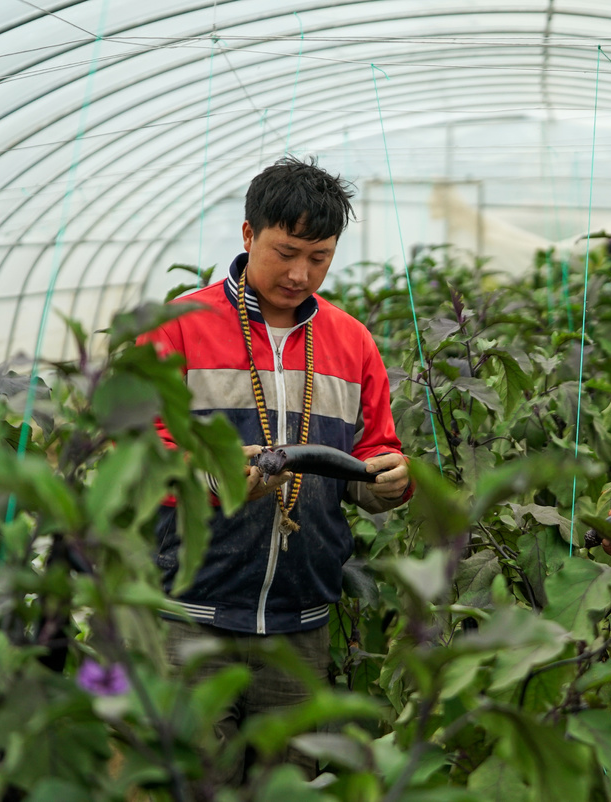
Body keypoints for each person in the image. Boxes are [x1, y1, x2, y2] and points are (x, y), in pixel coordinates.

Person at [139, 155, 412, 781]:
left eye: (319, 257)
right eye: (285, 252)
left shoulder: (352, 341)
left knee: (288, 786)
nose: (299, 273)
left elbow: (375, 450)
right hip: (192, 616)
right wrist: (214, 474)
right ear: (247, 234)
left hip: (299, 623)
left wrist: (390, 481)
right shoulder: (179, 329)